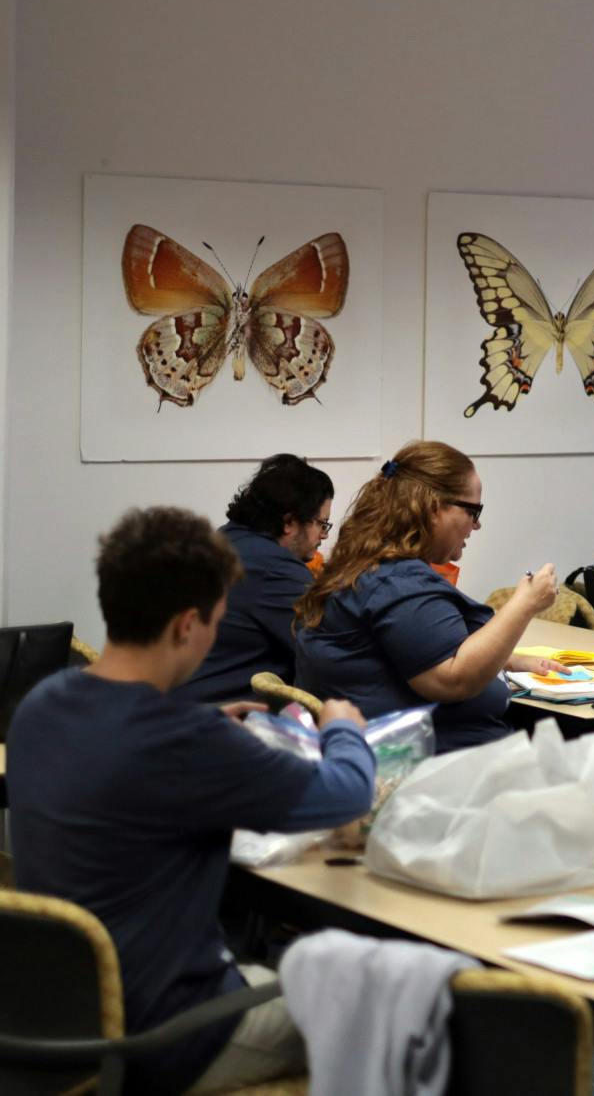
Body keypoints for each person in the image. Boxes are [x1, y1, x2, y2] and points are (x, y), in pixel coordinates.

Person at [9, 506, 377, 1095]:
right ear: (186, 625)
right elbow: (347, 791)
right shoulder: (187, 742)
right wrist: (342, 727)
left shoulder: (43, 703)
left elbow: (129, 741)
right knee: (393, 1014)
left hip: (57, 1018)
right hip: (169, 1035)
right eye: (216, 624)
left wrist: (204, 720)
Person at [295, 440, 559, 752]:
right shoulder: (397, 582)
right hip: (432, 774)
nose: (477, 524)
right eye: (473, 510)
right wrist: (525, 603)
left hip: (396, 757)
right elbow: (453, 678)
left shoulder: (366, 569)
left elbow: (416, 649)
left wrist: (509, 660)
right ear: (434, 508)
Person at [174, 453, 334, 704]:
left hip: (178, 703)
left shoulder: (223, 540)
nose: (323, 536)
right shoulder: (276, 569)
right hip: (218, 718)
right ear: (289, 522)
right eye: (321, 524)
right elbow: (326, 654)